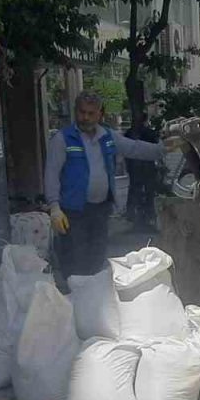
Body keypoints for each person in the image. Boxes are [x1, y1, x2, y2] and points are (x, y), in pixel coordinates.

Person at [44, 93, 165, 277]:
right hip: (72, 213)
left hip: (100, 210)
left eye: (91, 113)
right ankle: (73, 300)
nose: (85, 117)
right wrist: (54, 208)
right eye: (82, 112)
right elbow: (51, 174)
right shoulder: (63, 139)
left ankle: (92, 298)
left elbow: (133, 148)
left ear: (100, 114)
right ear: (76, 112)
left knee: (96, 259)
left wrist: (162, 149)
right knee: (75, 262)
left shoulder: (107, 136)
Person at [124, 115, 161, 232]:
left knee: (135, 191)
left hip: (134, 167)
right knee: (149, 192)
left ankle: (133, 216)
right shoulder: (150, 133)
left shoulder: (129, 133)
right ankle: (148, 216)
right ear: (145, 121)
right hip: (147, 166)